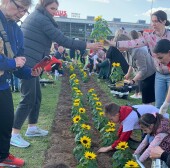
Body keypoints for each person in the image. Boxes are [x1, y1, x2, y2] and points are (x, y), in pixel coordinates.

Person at [11, 0, 103, 148]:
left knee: (36, 97)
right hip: (28, 62)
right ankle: (13, 134)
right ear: (43, 6)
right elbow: (62, 40)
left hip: (35, 62)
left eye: (56, 8)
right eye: (52, 8)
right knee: (28, 98)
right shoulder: (41, 18)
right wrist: (88, 45)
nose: (54, 11)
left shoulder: (41, 16)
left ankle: (32, 128)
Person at [106, 10, 170, 117]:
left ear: (164, 21)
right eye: (152, 21)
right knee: (157, 105)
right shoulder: (149, 37)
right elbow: (133, 43)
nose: (153, 24)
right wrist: (115, 43)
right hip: (159, 75)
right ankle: (157, 129)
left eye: (156, 21)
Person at [0, 0, 42, 166]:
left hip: (3, 84)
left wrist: (31, 72)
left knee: (6, 121)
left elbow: (19, 64)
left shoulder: (16, 30)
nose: (21, 13)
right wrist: (12, 63)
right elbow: (14, 62)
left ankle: (2, 156)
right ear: (5, 1)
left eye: (25, 10)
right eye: (19, 7)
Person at [124, 30, 156, 104]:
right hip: (142, 75)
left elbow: (143, 70)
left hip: (150, 75)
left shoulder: (138, 51)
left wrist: (133, 80)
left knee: (147, 100)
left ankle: (151, 113)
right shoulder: (127, 51)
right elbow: (131, 64)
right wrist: (128, 74)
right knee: (145, 100)